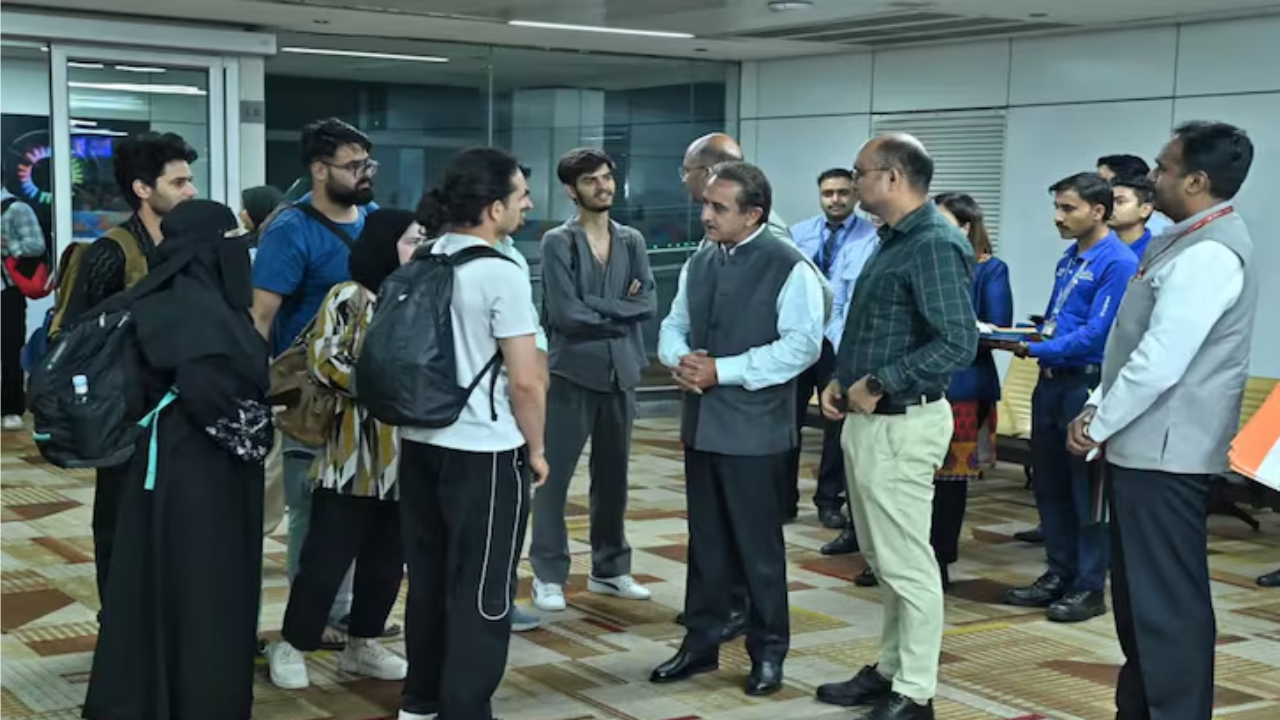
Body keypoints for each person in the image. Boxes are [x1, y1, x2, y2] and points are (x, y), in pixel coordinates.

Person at [1070, 121, 1257, 720]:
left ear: (1197, 181)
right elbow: (1134, 345)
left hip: (1168, 454)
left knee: (1165, 605)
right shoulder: (1184, 240)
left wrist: (1099, 421)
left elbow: (1160, 360)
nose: (1152, 177)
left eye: (1163, 167)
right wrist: (1098, 407)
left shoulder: (1210, 253)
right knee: (1139, 603)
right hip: (1146, 446)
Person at [82, 200, 271, 720]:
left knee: (167, 584)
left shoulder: (173, 298)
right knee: (200, 587)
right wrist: (260, 429)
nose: (239, 252)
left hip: (172, 469)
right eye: (230, 241)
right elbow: (216, 399)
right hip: (196, 475)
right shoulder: (193, 310)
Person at [816, 133, 977, 720]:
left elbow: (958, 342)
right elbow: (881, 327)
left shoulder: (934, 243)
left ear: (891, 177)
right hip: (869, 419)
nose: (853, 183)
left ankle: (915, 691)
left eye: (859, 173)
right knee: (883, 558)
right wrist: (842, 378)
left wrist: (880, 382)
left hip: (902, 421)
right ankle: (890, 670)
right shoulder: (892, 238)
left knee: (907, 562)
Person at [652, 161, 824, 697]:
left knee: (757, 551)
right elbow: (674, 324)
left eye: (718, 207)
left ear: (754, 215)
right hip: (701, 426)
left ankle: (768, 652)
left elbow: (802, 347)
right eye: (705, 204)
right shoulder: (701, 260)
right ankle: (700, 642)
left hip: (755, 433)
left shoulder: (789, 265)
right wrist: (679, 359)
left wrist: (720, 370)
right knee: (705, 544)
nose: (705, 215)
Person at [395, 147, 548, 720]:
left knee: (428, 579)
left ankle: (421, 701)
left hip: (420, 443)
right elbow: (526, 381)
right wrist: (537, 449)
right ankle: (465, 707)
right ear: (492, 207)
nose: (527, 205)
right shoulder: (499, 272)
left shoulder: (426, 255)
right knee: (484, 588)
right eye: (520, 196)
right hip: (485, 452)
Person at [266, 209, 416, 690]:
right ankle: (293, 644)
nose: (420, 250)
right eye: (412, 241)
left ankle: (362, 644)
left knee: (386, 562)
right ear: (385, 245)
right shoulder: (349, 296)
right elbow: (326, 362)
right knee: (326, 560)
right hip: (351, 455)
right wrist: (388, 385)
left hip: (404, 456)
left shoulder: (416, 297)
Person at [251, 118, 382, 646]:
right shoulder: (290, 229)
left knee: (359, 507)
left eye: (367, 163)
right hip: (310, 398)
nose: (364, 173)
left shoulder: (373, 218)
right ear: (319, 170)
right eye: (353, 166)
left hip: (366, 395)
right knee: (310, 510)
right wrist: (255, 392)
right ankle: (312, 617)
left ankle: (343, 611)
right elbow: (262, 316)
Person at [57, 131, 199, 611]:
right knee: (121, 524)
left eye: (189, 180)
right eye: (178, 182)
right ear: (143, 188)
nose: (190, 191)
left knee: (180, 526)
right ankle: (118, 621)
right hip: (126, 416)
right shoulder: (112, 252)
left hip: (184, 411)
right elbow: (78, 339)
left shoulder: (192, 247)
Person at [853, 193, 1012, 590]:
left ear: (966, 227)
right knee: (900, 485)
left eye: (944, 221)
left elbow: (994, 325)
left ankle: (939, 556)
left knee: (948, 479)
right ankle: (892, 557)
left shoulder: (988, 268)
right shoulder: (908, 252)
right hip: (913, 383)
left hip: (962, 385)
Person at [1000, 173, 1136, 624]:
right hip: (1051, 382)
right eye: (1057, 207)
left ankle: (1089, 586)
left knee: (1086, 493)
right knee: (1050, 484)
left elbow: (1098, 333)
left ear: (1098, 211)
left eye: (1068, 208)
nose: (1058, 217)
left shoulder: (1117, 261)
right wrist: (1025, 336)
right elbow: (1059, 321)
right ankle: (1058, 573)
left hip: (1084, 384)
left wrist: (1033, 349)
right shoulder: (1069, 257)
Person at [530, 148, 655, 612]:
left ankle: (610, 568)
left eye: (606, 178)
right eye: (591, 180)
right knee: (552, 477)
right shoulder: (557, 242)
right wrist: (620, 311)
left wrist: (597, 306)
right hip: (571, 373)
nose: (603, 187)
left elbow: (648, 303)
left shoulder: (632, 240)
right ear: (571, 190)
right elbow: (565, 314)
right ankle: (548, 574)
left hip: (622, 372)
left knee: (614, 477)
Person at [788, 168, 879, 530]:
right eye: (828, 193)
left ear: (855, 194)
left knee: (836, 424)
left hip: (840, 340)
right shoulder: (799, 233)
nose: (835, 200)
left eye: (843, 192)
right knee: (787, 421)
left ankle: (829, 501)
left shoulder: (871, 236)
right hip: (800, 338)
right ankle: (783, 499)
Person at [1, 185, 46, 430]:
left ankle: (11, 408)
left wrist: (9, 246)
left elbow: (36, 244)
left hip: (7, 290)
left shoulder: (16, 208)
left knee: (9, 348)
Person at [1109, 174, 1156, 259]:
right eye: (1108, 201)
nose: (1110, 207)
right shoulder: (1096, 245)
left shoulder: (1154, 253)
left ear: (1145, 210)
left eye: (1120, 202)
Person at [239, 184, 284, 250]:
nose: (239, 213)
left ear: (258, 209)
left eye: (244, 207)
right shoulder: (248, 241)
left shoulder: (275, 246)